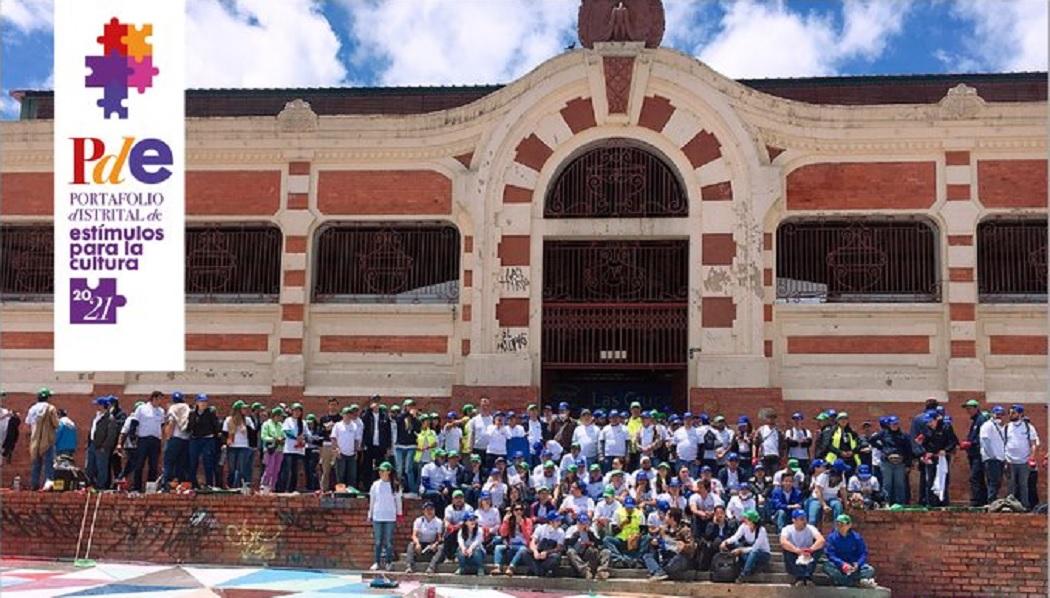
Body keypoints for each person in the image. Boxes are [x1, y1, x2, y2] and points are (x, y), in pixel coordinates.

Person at [822, 514, 877, 588]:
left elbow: (863, 553)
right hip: (839, 566)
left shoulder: (856, 537)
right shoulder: (832, 537)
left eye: (842, 524)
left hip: (853, 567)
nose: (840, 527)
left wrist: (857, 564)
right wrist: (842, 564)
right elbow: (830, 554)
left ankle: (843, 581)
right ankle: (853, 582)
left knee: (869, 570)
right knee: (827, 566)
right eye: (838, 524)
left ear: (849, 525)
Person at [868, 415, 912, 505]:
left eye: (896, 424)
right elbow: (871, 440)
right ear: (889, 424)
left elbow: (909, 450)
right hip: (887, 462)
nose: (894, 426)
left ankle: (900, 503)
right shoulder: (883, 433)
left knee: (899, 484)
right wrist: (881, 448)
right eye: (892, 424)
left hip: (900, 463)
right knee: (887, 484)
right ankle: (887, 503)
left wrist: (908, 464)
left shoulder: (903, 435)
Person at [367, 461, 403, 571]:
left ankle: (388, 562)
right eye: (380, 471)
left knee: (388, 541)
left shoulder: (395, 485)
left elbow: (398, 501)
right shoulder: (375, 485)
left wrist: (399, 514)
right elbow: (372, 500)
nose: (380, 472)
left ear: (389, 472)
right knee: (378, 541)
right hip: (378, 516)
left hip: (390, 517)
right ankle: (377, 562)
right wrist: (370, 514)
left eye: (383, 471)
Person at [642, 507, 694, 582]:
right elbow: (659, 541)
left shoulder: (685, 530)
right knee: (647, 555)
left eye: (666, 515)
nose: (664, 517)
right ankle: (660, 572)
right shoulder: (664, 529)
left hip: (677, 558)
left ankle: (658, 571)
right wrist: (655, 542)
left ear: (672, 518)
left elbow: (692, 548)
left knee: (678, 559)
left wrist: (684, 547)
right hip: (665, 557)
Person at [917, 409, 957, 507]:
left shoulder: (946, 427)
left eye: (931, 421)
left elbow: (953, 442)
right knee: (930, 480)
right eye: (928, 422)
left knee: (943, 479)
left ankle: (943, 503)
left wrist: (945, 450)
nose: (930, 424)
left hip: (942, 458)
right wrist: (923, 454)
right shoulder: (926, 429)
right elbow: (921, 443)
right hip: (930, 458)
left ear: (936, 420)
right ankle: (931, 503)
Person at [719, 509, 770, 583]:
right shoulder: (743, 526)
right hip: (749, 552)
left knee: (754, 552)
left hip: (762, 554)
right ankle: (746, 567)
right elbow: (736, 537)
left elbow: (755, 548)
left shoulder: (762, 530)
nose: (744, 520)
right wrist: (726, 542)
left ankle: (744, 575)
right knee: (736, 544)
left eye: (746, 518)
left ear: (752, 520)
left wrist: (741, 550)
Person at [1005, 404, 1039, 509]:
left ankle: (1025, 506)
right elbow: (1003, 442)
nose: (1011, 415)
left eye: (1013, 413)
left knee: (1024, 485)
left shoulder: (1028, 427)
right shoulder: (1007, 427)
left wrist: (1031, 457)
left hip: (1024, 461)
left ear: (1020, 414)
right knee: (1011, 485)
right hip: (1010, 460)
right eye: (1010, 413)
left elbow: (1033, 443)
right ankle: (1010, 506)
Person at [779, 509, 825, 587]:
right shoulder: (787, 529)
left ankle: (807, 577)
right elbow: (783, 542)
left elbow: (821, 540)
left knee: (819, 549)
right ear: (794, 520)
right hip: (794, 556)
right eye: (801, 519)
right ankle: (800, 577)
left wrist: (811, 549)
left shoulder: (811, 528)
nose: (804, 521)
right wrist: (797, 551)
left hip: (807, 555)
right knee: (786, 550)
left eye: (805, 518)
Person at [26, 388, 59, 490]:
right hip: (47, 440)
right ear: (47, 398)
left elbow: (27, 424)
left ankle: (34, 484)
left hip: (35, 441)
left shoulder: (32, 409)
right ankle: (48, 485)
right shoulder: (51, 408)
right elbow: (56, 424)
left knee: (36, 464)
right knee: (49, 463)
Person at [187, 394, 221, 488]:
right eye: (201, 402)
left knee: (208, 461)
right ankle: (193, 484)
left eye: (205, 402)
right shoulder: (192, 413)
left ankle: (209, 484)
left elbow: (216, 425)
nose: (203, 404)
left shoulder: (211, 412)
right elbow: (189, 426)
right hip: (195, 439)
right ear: (197, 402)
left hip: (208, 439)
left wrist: (217, 435)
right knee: (193, 462)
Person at [960, 399, 989, 506]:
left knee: (975, 477)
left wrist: (970, 443)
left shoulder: (981, 420)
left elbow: (982, 437)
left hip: (979, 454)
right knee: (979, 477)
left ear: (976, 408)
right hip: (973, 454)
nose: (968, 411)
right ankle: (982, 499)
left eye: (970, 408)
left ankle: (977, 500)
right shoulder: (975, 421)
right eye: (967, 409)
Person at [491, 502, 533, 576]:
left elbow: (528, 536)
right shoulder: (510, 520)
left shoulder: (528, 521)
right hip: (511, 544)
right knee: (498, 547)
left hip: (523, 545)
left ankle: (511, 567)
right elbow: (503, 533)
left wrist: (522, 524)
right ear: (513, 511)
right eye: (516, 510)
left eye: (521, 509)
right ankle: (497, 567)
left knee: (522, 549)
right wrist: (505, 521)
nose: (519, 512)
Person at [159, 392, 191, 488]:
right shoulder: (187, 408)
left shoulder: (173, 408)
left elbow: (171, 423)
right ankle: (180, 485)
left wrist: (168, 437)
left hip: (175, 438)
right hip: (186, 439)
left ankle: (166, 484)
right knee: (181, 463)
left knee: (168, 461)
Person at [564, 514, 610, 580]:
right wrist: (577, 533)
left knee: (606, 552)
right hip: (577, 554)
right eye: (582, 523)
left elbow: (599, 543)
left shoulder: (591, 530)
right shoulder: (571, 529)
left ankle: (601, 571)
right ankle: (585, 571)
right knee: (570, 552)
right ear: (578, 523)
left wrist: (590, 534)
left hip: (589, 554)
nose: (584, 525)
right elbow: (567, 543)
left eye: (585, 523)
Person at [979, 405, 1008, 504]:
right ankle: (991, 501)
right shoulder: (987, 425)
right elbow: (985, 440)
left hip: (1000, 458)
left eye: (1001, 414)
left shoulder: (1002, 427)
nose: (999, 416)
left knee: (998, 481)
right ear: (992, 414)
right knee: (993, 481)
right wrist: (992, 455)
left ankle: (993, 500)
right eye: (997, 414)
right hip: (992, 459)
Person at [406, 501, 444, 574]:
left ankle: (431, 567)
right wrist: (417, 544)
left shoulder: (438, 521)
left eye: (431, 509)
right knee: (411, 545)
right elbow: (414, 535)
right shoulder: (418, 520)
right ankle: (409, 566)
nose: (429, 512)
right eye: (427, 510)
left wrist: (435, 544)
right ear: (423, 511)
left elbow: (439, 537)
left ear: (434, 510)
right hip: (421, 543)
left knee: (441, 547)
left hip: (431, 544)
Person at [362, 399, 392, 487]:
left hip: (381, 445)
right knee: (367, 466)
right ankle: (367, 486)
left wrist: (388, 446)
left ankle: (381, 483)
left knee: (380, 465)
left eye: (378, 403)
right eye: (374, 402)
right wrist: (369, 409)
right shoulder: (367, 415)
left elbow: (388, 432)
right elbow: (363, 422)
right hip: (369, 444)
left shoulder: (384, 416)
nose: (376, 405)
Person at [281, 403, 311, 492]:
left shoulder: (303, 422)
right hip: (289, 449)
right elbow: (286, 432)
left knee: (296, 470)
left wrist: (304, 438)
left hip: (299, 449)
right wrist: (296, 437)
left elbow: (308, 434)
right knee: (289, 470)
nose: (297, 413)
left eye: (299, 411)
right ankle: (287, 489)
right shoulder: (288, 420)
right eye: (295, 410)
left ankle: (293, 488)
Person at [526, 511, 565, 577]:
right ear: (550, 522)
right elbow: (532, 542)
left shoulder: (561, 532)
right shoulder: (540, 528)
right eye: (557, 520)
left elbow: (559, 548)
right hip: (538, 553)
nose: (559, 522)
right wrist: (535, 551)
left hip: (549, 555)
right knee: (524, 552)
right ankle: (539, 571)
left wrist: (547, 552)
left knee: (556, 557)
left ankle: (537, 570)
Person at [331, 405, 362, 490]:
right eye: (346, 414)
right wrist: (336, 450)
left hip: (351, 455)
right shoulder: (338, 425)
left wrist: (356, 452)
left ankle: (351, 494)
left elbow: (356, 440)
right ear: (343, 415)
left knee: (352, 476)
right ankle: (341, 494)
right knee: (340, 476)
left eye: (350, 414)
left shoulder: (354, 426)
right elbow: (333, 438)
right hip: (341, 454)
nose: (348, 416)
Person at [697, 504, 736, 571]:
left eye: (721, 513)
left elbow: (732, 536)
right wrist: (714, 525)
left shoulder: (730, 524)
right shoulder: (710, 524)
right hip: (714, 544)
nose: (720, 515)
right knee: (714, 542)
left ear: (725, 514)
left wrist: (725, 542)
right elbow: (707, 536)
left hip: (727, 544)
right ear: (715, 514)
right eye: (717, 513)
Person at [808, 460, 848, 525]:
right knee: (813, 519)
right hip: (817, 498)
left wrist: (846, 505)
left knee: (838, 506)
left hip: (832, 498)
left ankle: (836, 531)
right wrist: (824, 505)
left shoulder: (842, 476)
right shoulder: (823, 476)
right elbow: (818, 491)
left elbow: (843, 491)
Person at [393, 402, 419, 492]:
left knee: (409, 468)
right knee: (399, 468)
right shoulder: (401, 416)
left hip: (411, 445)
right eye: (409, 406)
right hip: (400, 445)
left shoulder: (414, 418)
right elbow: (398, 420)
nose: (411, 407)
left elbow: (418, 429)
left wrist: (414, 417)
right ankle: (398, 488)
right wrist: (407, 413)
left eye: (412, 406)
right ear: (405, 407)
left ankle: (413, 489)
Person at [316, 398, 341, 491]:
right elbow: (319, 434)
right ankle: (324, 490)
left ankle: (339, 490)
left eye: (335, 405)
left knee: (338, 469)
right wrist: (325, 429)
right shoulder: (324, 418)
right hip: (326, 445)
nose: (333, 407)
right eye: (331, 405)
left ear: (337, 406)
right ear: (328, 406)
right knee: (326, 469)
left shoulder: (341, 419)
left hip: (338, 445)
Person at [260, 407, 285, 492]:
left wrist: (282, 439)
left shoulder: (281, 425)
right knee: (269, 468)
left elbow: (284, 435)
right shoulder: (266, 424)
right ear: (275, 416)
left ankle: (272, 486)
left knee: (276, 469)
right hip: (270, 449)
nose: (281, 418)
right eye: (280, 416)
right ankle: (264, 485)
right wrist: (274, 439)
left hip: (279, 449)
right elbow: (263, 436)